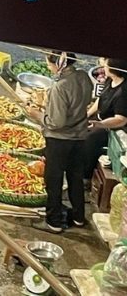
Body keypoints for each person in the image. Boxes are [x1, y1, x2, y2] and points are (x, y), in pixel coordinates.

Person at [27, 51, 93, 233]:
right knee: (75, 177)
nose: (48, 65)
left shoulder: (60, 86)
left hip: (59, 141)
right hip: (80, 137)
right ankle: (79, 217)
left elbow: (56, 123)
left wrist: (36, 114)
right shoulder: (83, 77)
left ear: (56, 63)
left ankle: (53, 221)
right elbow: (85, 102)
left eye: (48, 62)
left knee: (54, 180)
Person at [84, 58, 127, 182]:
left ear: (114, 69)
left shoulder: (123, 92)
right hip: (100, 119)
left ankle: (85, 177)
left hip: (113, 128)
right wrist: (87, 114)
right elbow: (101, 99)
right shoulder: (110, 80)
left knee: (89, 139)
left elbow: (121, 119)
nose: (104, 68)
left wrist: (100, 124)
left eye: (106, 66)